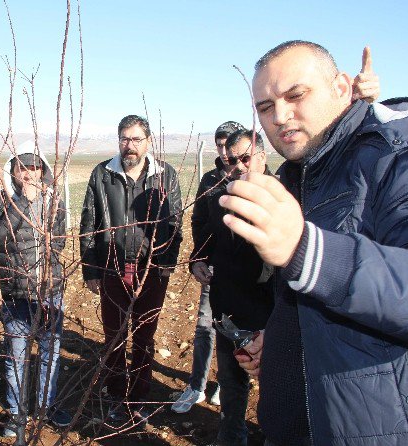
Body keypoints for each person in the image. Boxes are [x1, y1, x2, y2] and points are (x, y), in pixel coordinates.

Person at [221, 41, 408, 445]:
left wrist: (306, 249)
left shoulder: (394, 157)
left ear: (342, 88)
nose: (281, 116)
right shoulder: (298, 174)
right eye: (266, 107)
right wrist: (281, 338)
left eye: (296, 95)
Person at [80, 114, 183, 423]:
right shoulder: (102, 174)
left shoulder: (166, 175)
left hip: (151, 271)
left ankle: (138, 399)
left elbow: (175, 223)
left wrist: (165, 262)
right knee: (113, 337)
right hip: (112, 268)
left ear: (148, 142)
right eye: (125, 139)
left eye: (137, 139)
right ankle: (115, 396)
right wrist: (91, 270)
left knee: (143, 337)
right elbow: (89, 221)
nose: (130, 146)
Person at [180, 130, 275, 445]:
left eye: (244, 158)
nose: (236, 166)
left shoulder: (283, 197)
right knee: (232, 387)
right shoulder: (223, 197)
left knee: (277, 392)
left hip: (270, 316)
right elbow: (205, 237)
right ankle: (232, 437)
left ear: (261, 157)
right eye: (230, 160)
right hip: (228, 310)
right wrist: (196, 261)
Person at [0, 142, 72, 437]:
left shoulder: (54, 202)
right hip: (16, 293)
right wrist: (22, 202)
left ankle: (48, 408)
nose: (31, 174)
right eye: (23, 168)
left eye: (36, 167)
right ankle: (16, 414)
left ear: (43, 171)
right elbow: (0, 236)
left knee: (50, 352)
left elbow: (58, 242)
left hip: (50, 290)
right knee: (17, 357)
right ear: (13, 172)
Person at [171, 120, 245, 414]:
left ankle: (228, 386)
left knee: (238, 330)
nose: (224, 150)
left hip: (245, 275)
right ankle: (197, 386)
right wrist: (196, 259)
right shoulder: (209, 180)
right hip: (213, 270)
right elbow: (199, 223)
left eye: (229, 144)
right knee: (205, 328)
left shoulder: (254, 178)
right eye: (219, 144)